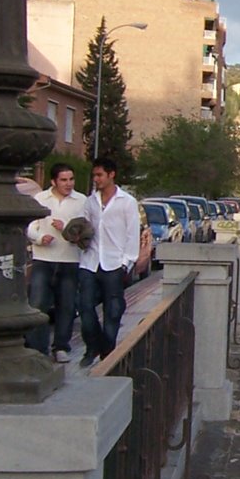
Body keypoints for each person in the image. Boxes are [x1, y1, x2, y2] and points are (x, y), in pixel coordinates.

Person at [78, 156, 140, 367]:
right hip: (90, 261)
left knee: (113, 310)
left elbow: (133, 234)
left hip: (114, 263)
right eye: (94, 175)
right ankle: (92, 346)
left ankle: (108, 353)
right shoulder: (91, 201)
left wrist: (127, 262)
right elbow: (85, 228)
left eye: (100, 175)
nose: (96, 179)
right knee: (85, 307)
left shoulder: (127, 202)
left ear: (111, 174)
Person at [25, 163, 87, 362]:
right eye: (63, 180)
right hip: (43, 259)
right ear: (53, 181)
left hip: (69, 259)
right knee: (38, 304)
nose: (68, 184)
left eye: (71, 179)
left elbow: (86, 233)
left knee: (66, 305)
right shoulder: (41, 199)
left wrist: (66, 228)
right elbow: (29, 225)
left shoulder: (81, 201)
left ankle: (61, 346)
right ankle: (38, 348)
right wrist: (39, 236)